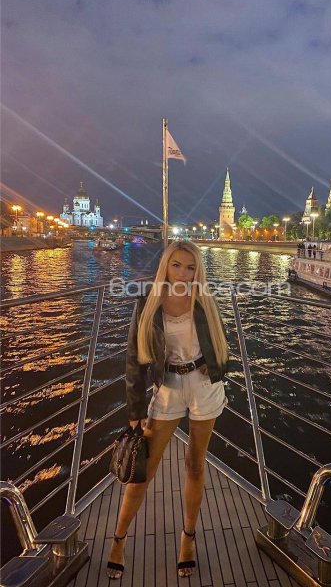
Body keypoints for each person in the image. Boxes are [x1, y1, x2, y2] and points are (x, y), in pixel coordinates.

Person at [107, 241, 229, 580]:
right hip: (168, 389)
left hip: (204, 387)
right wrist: (135, 408)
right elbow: (133, 358)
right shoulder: (148, 300)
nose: (183, 273)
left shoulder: (204, 298)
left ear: (197, 270)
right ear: (165, 265)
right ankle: (119, 539)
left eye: (190, 267)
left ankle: (187, 538)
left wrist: (215, 367)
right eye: (176, 265)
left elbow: (222, 341)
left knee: (195, 464)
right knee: (143, 469)